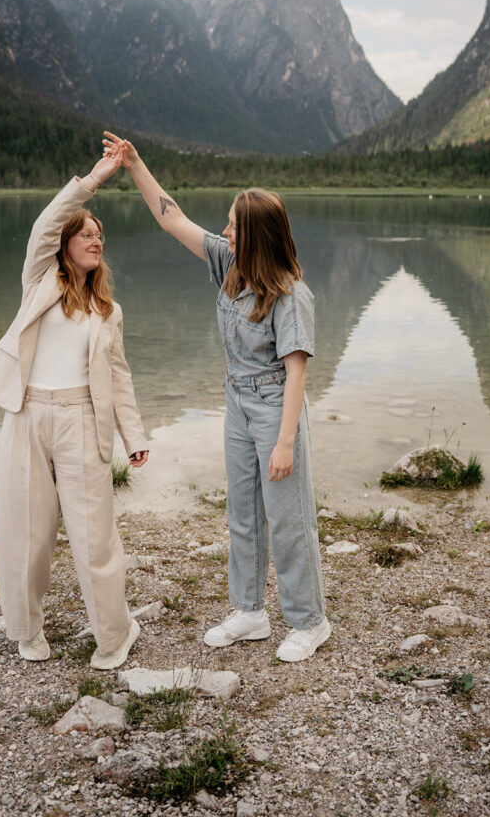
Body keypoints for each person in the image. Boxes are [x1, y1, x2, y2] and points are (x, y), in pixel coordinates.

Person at [103, 132, 329, 662]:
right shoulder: (228, 265)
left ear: (255, 235)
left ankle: (309, 620)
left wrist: (285, 442)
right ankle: (250, 613)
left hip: (276, 407)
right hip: (236, 403)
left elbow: (296, 373)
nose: (223, 229)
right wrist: (134, 163)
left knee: (289, 517)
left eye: (232, 223)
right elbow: (170, 216)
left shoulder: (293, 295)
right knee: (244, 513)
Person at [0, 149, 148, 670]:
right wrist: (95, 179)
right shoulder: (39, 283)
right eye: (87, 234)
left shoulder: (108, 311)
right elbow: (45, 224)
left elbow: (118, 377)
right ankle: (27, 631)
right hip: (27, 416)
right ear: (65, 246)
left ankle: (113, 639)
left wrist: (134, 436)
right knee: (26, 532)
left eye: (101, 237)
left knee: (95, 537)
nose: (97, 241)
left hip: (81, 420)